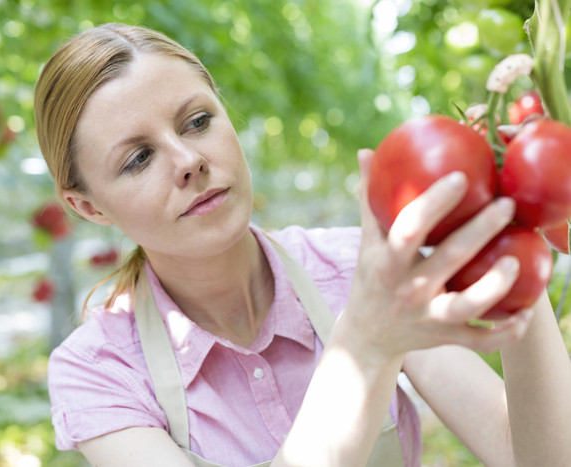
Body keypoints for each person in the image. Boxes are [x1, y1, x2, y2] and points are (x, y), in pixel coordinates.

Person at [33, 23, 571, 467]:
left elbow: (535, 457)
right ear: (89, 206)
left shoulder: (351, 268)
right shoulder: (98, 372)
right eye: (138, 159)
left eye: (198, 122)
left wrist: (514, 232)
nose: (188, 160)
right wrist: (366, 345)